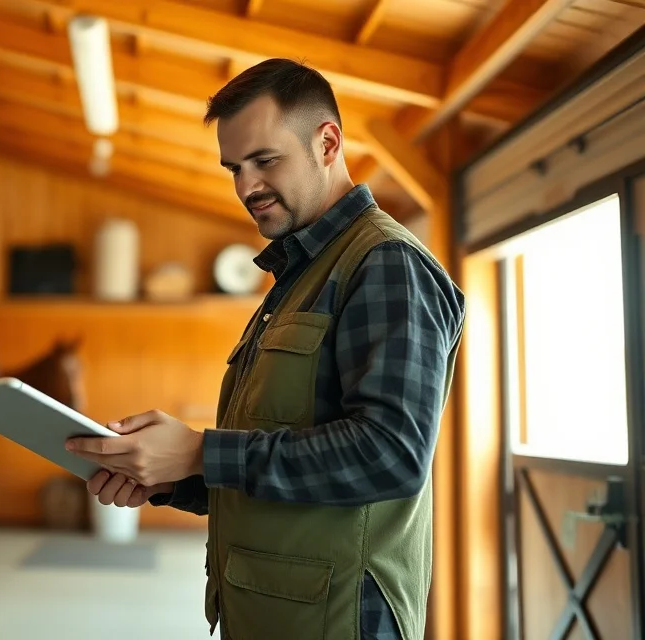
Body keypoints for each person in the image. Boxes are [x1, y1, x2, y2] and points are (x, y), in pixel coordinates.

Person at [65, 58, 466, 640]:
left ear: (327, 142)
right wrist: (170, 477)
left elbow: (391, 454)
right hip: (275, 613)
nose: (245, 187)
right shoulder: (299, 275)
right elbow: (288, 456)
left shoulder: (385, 264)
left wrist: (202, 453)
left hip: (338, 621)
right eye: (234, 167)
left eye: (265, 160)